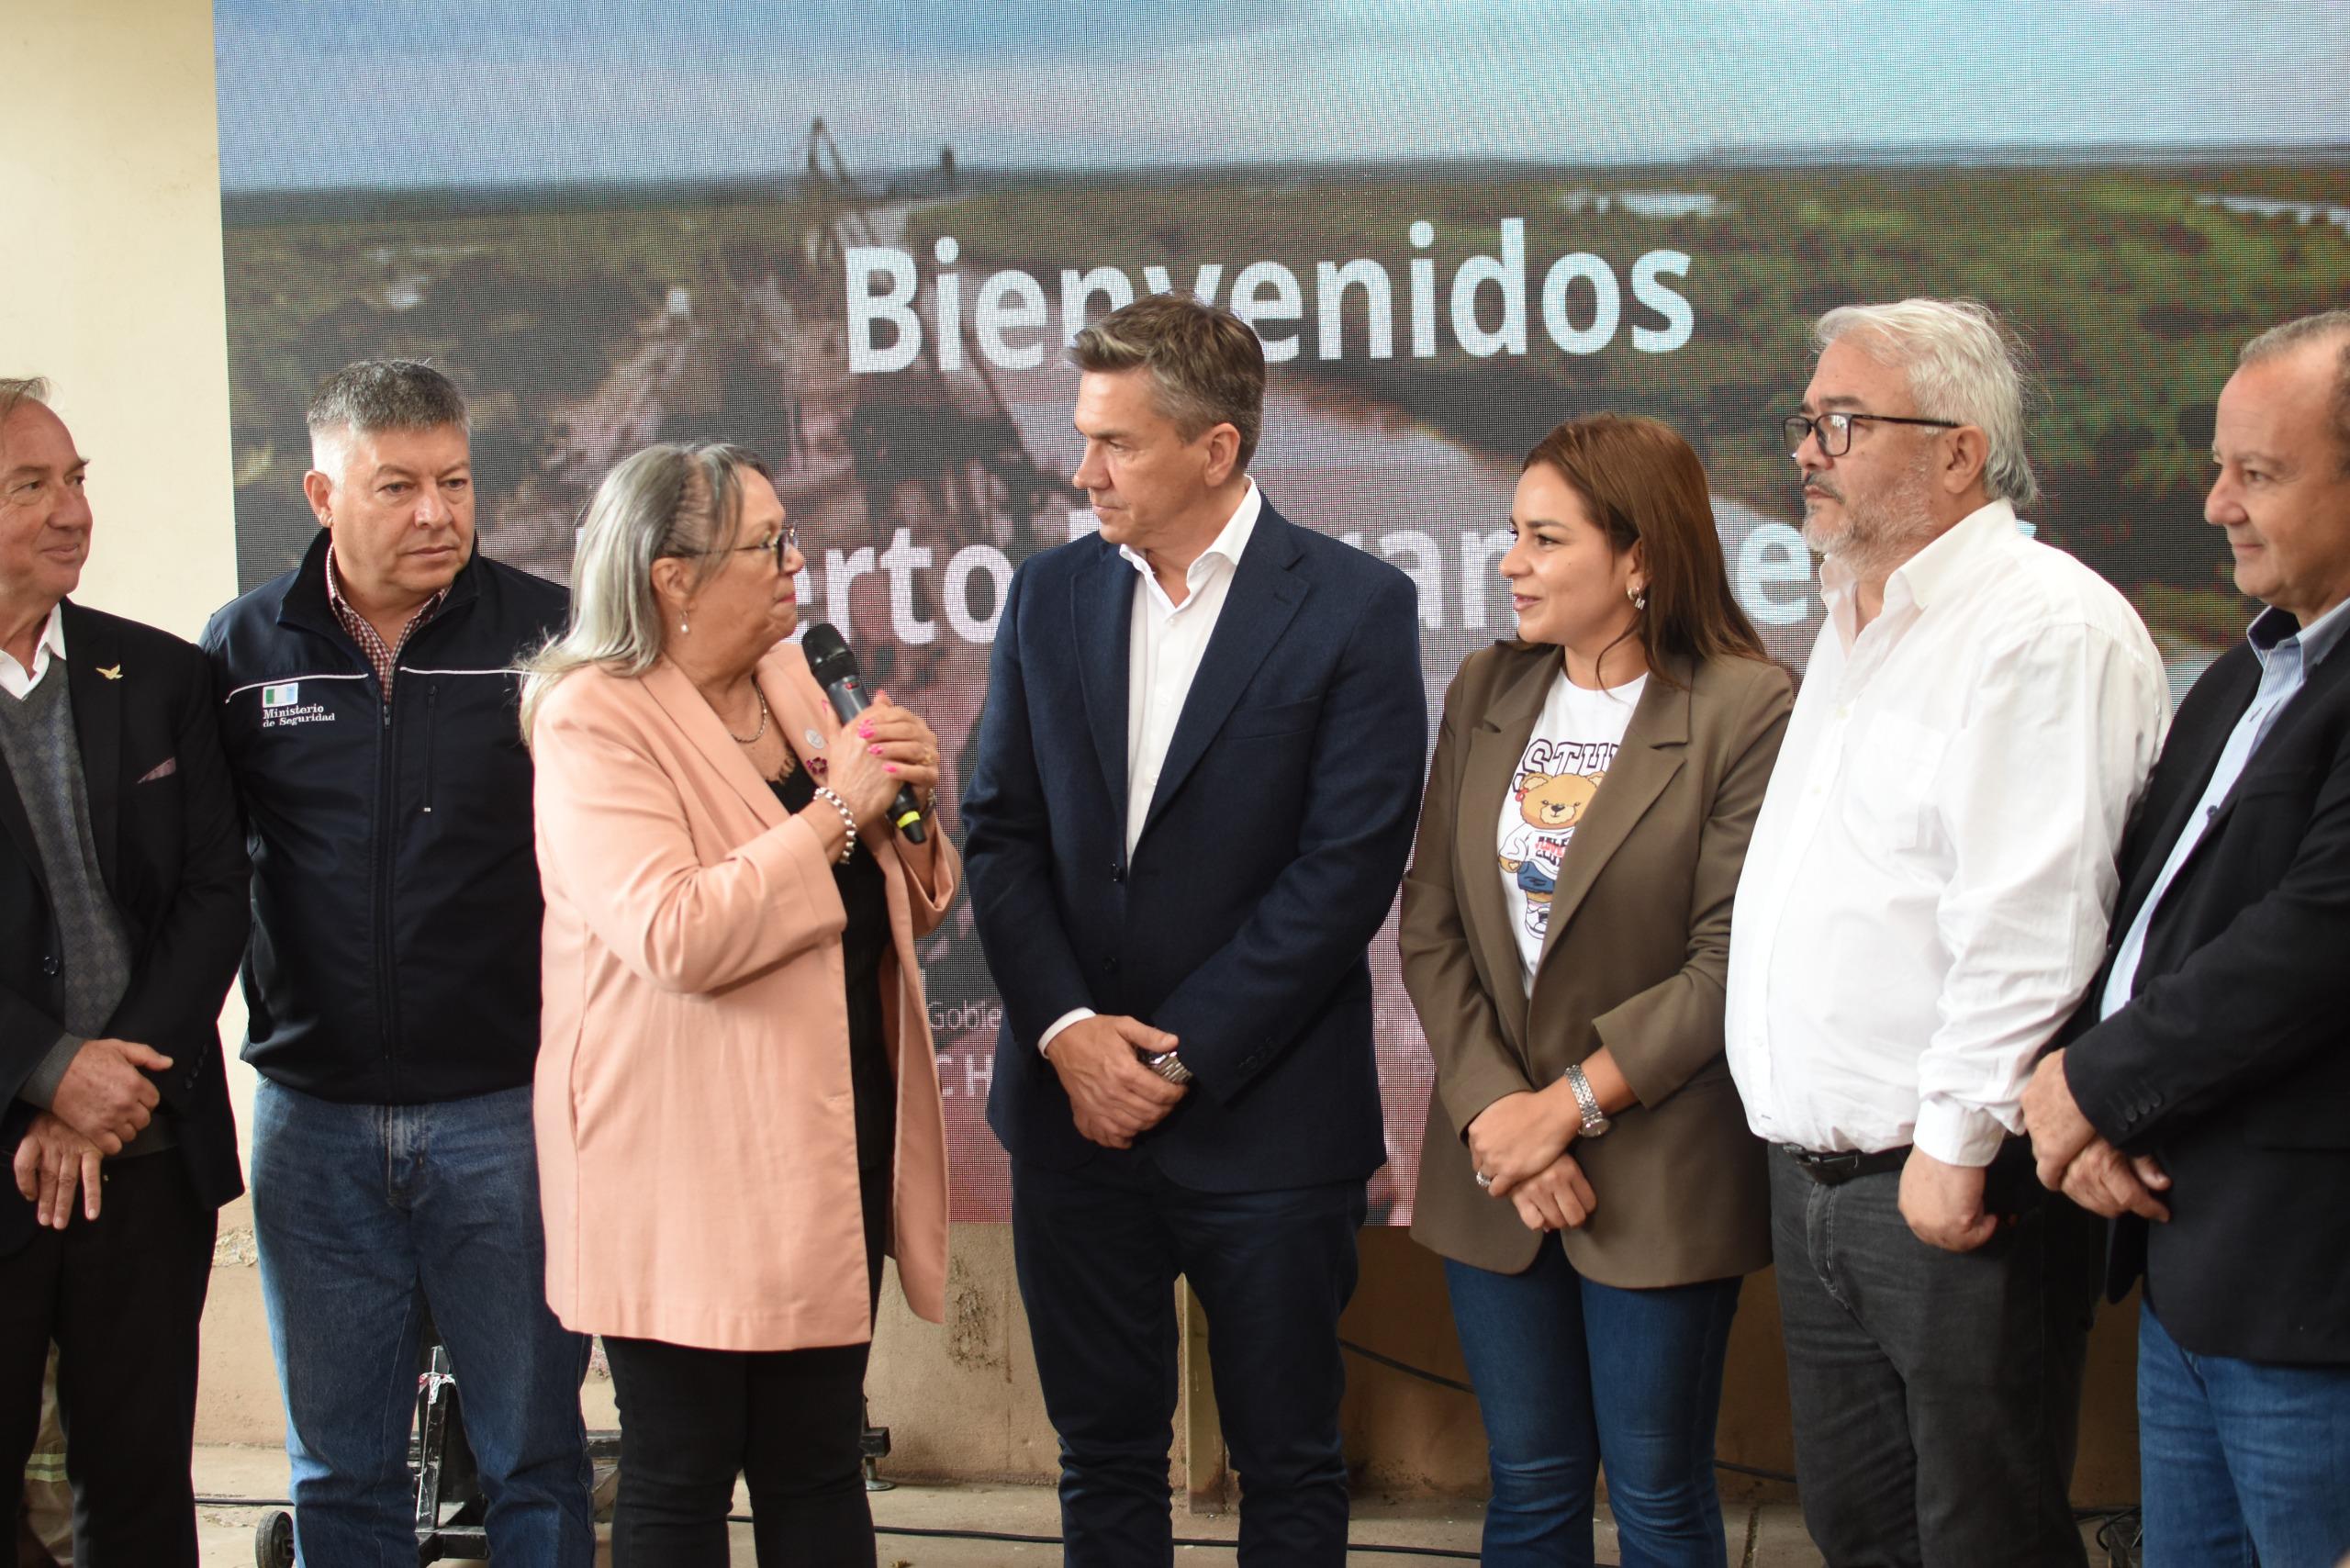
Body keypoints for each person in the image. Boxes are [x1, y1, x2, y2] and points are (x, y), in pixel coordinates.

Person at [961, 293, 1427, 1566]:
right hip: (1071, 1122)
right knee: (1102, 1460)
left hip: (1267, 1125)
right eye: (1083, 435)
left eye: (1116, 442)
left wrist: (1169, 1059)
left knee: (1288, 1464)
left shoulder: (1354, 607)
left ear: (1215, 450)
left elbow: (1345, 872)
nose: (1082, 467)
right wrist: (1066, 1037)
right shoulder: (1047, 595)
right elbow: (997, 833)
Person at [1724, 299, 2168, 1566]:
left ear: (1959, 452)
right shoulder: (1857, 613)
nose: (1808, 448)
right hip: (1816, 1174)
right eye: (1807, 421)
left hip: (1947, 1184)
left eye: (1843, 422)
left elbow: (2031, 919)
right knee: (1864, 1530)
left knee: (1983, 1534)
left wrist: (1959, 1140)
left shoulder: (2043, 627)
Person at [522, 441, 957, 1564]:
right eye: (768, 545)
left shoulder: (792, 678)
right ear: (671, 575)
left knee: (817, 1459)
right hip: (678, 1166)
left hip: (822, 1147)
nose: (797, 564)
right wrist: (834, 817)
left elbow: (881, 892)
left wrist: (912, 803)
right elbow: (674, 931)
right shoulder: (591, 718)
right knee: (682, 1466)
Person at [201, 361, 591, 1563]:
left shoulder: (548, 632)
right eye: (400, 486)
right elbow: (209, 873)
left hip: (504, 1117)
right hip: (312, 1127)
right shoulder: (244, 646)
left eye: (457, 481)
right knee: (339, 1468)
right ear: (323, 492)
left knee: (534, 1457)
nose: (438, 513)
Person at [1402, 414, 1791, 1567]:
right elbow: (1430, 922)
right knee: (1526, 1487)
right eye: (1511, 533)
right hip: (1495, 1164)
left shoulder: (1745, 706)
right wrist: (1495, 1114)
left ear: (1639, 559)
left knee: (1660, 1493)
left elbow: (1728, 961)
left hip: (1658, 1165)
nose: (1510, 562)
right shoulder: (1486, 688)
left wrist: (1563, 1108)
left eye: (1544, 538)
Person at [2022, 309, 2350, 1567]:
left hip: (2312, 1298)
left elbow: (2313, 944)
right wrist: (2096, 1105)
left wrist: (2091, 1089)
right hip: (2189, 1259)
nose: (2217, 504)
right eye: (2219, 467)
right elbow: (2143, 916)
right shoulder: (2243, 673)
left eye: (2258, 473)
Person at [0, 377, 247, 1564]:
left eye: (78, 477)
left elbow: (214, 898)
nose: (72, 510)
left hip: (144, 1155)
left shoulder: (157, 678)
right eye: (31, 485)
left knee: (140, 1496)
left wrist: (106, 1094)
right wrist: (48, 1072)